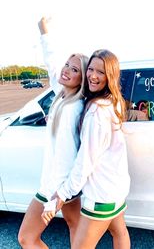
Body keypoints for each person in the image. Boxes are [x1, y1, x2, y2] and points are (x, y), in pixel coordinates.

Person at [42, 49, 131, 248]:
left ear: (110, 76)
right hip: (116, 189)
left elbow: (86, 162)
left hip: (100, 195)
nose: (92, 75)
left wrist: (63, 194)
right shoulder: (112, 103)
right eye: (90, 69)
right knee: (120, 233)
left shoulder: (96, 112)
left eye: (100, 72)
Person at [18, 17, 89, 248]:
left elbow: (66, 157)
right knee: (75, 228)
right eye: (68, 65)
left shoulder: (72, 109)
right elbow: (52, 64)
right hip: (65, 187)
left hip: (55, 187)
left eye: (75, 69)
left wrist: (54, 195)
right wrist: (44, 31)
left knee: (26, 238)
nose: (66, 70)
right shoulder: (63, 95)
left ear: (82, 79)